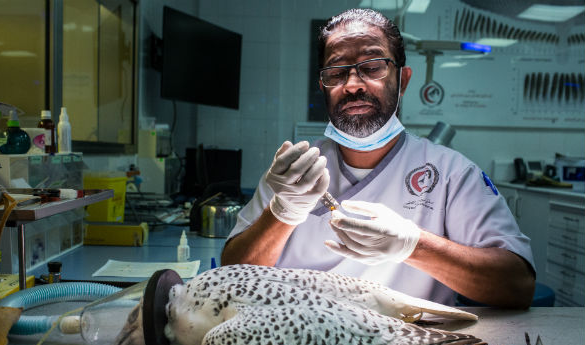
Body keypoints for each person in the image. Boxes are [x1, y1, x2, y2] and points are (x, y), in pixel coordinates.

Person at [221, 8, 535, 308]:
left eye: (372, 67)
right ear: (323, 85)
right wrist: (283, 211)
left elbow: (517, 286)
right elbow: (231, 273)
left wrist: (413, 245)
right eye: (337, 71)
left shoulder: (451, 173)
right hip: (300, 343)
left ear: (404, 80)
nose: (353, 84)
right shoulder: (294, 170)